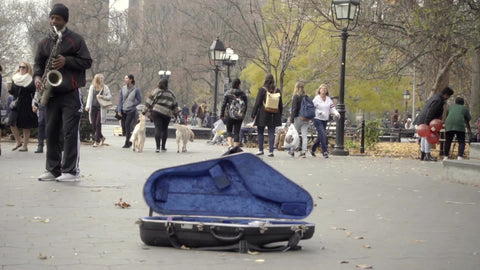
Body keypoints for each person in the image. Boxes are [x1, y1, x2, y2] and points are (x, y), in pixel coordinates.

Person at [35, 3, 92, 181]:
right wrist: (37, 77)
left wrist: (66, 61)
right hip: (51, 94)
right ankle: (53, 169)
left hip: (71, 92)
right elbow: (38, 64)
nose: (53, 21)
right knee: (51, 131)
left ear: (64, 20)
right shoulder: (44, 42)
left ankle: (71, 171)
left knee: (69, 132)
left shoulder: (76, 40)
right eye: (51, 18)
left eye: (57, 18)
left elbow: (86, 61)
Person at [413, 86, 454, 161]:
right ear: (446, 95)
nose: (448, 98)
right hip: (428, 120)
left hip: (423, 119)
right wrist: (427, 123)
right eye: (449, 96)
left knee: (424, 137)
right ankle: (427, 155)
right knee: (428, 137)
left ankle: (423, 154)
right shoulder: (438, 100)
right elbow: (431, 112)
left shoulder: (435, 97)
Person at [8, 62, 38, 152]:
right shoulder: (15, 78)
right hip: (16, 103)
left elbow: (34, 93)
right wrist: (9, 89)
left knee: (26, 125)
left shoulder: (31, 79)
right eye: (20, 67)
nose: (21, 68)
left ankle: (25, 145)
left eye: (23, 67)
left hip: (26, 103)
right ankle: (18, 141)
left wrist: (35, 104)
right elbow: (13, 92)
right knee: (11, 122)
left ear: (27, 68)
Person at [251, 73, 283, 157]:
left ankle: (260, 149)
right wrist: (280, 113)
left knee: (260, 131)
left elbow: (257, 102)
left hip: (263, 113)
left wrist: (253, 113)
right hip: (273, 114)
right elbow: (280, 104)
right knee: (271, 132)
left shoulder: (262, 90)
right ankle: (271, 151)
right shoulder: (277, 90)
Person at [142, 78, 177, 152]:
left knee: (158, 128)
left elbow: (149, 101)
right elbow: (175, 104)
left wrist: (144, 111)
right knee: (165, 129)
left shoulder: (156, 91)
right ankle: (163, 147)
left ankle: (157, 147)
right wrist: (175, 113)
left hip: (157, 112)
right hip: (167, 113)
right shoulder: (171, 93)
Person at [311, 84, 340, 158]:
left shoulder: (328, 99)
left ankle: (313, 149)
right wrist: (317, 113)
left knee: (320, 136)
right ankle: (325, 151)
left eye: (325, 89)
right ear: (319, 90)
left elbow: (332, 108)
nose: (323, 90)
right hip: (317, 119)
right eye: (322, 88)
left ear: (327, 91)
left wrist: (337, 113)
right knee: (323, 134)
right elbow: (311, 108)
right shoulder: (316, 99)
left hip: (325, 119)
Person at [220, 78, 248, 148]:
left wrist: (222, 115)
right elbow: (246, 105)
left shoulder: (228, 93)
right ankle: (235, 148)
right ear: (239, 85)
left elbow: (223, 105)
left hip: (230, 115)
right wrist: (243, 114)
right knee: (237, 132)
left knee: (229, 130)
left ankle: (230, 145)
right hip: (239, 116)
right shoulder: (243, 94)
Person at [85, 74, 112, 147]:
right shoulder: (92, 87)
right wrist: (87, 106)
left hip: (101, 108)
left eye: (102, 78)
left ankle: (96, 141)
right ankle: (102, 137)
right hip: (93, 107)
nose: (102, 80)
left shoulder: (105, 87)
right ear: (97, 79)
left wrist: (102, 96)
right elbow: (89, 97)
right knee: (93, 124)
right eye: (100, 78)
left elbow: (109, 97)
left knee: (98, 123)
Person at [117, 74, 141, 148]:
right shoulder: (122, 89)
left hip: (131, 110)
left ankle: (127, 142)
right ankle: (130, 141)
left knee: (127, 125)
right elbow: (120, 100)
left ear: (131, 79)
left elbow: (139, 100)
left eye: (127, 78)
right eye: (125, 78)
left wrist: (133, 104)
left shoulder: (136, 89)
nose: (125, 80)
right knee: (124, 126)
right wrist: (119, 110)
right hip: (124, 110)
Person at [289, 81, 309, 158]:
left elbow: (294, 109)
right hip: (306, 118)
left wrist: (291, 119)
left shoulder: (296, 97)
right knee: (304, 135)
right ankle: (303, 152)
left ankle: (292, 150)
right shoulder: (306, 96)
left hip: (297, 117)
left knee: (295, 134)